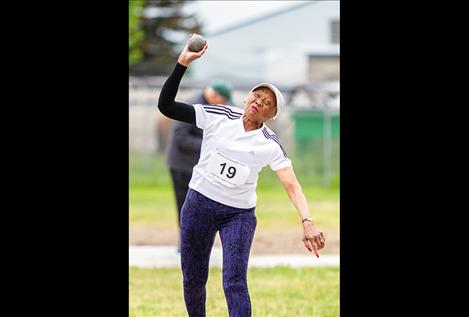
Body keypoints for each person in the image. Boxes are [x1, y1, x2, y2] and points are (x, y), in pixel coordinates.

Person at [157, 36, 325, 317]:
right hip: (198, 205)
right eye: (257, 96)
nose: (260, 102)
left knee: (234, 282)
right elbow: (167, 106)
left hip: (238, 215)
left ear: (272, 114)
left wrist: (307, 222)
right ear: (247, 98)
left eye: (268, 102)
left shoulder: (269, 143)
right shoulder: (218, 115)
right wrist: (182, 64)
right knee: (193, 279)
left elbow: (292, 185)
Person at [165, 82, 233, 248]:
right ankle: (185, 244)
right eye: (223, 101)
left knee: (200, 206)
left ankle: (195, 242)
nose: (224, 105)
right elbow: (180, 138)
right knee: (184, 205)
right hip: (181, 165)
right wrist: (210, 145)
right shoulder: (193, 106)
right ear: (214, 96)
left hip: (198, 167)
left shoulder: (210, 106)